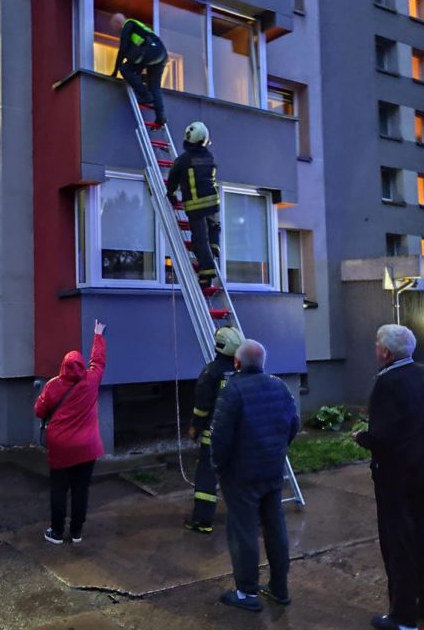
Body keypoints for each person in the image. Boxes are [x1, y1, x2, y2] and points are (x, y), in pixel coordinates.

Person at [354, 324, 424, 630]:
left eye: (376, 345)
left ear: (385, 351)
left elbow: (384, 435)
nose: (375, 350)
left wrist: (363, 438)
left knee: (399, 543)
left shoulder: (386, 382)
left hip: (394, 474)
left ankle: (403, 616)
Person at [211, 339, 299, 612]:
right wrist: (276, 450)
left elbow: (220, 436)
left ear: (236, 363)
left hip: (241, 475)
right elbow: (293, 424)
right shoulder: (279, 386)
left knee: (243, 531)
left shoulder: (232, 391)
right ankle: (279, 587)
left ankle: (247, 592)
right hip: (272, 471)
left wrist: (218, 466)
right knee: (275, 527)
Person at [34, 320, 107, 545]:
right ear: (82, 366)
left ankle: (56, 532)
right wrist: (98, 335)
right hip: (87, 447)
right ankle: (76, 532)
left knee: (59, 488)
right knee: (81, 489)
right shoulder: (91, 381)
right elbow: (99, 361)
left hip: (61, 448)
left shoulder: (54, 386)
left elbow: (39, 411)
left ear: (63, 366)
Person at [184, 325, 241, 534]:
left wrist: (194, 428)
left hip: (213, 435)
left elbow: (202, 406)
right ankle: (247, 517)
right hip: (237, 435)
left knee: (206, 477)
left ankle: (202, 520)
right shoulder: (240, 372)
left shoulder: (211, 372)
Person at [166, 122, 220, 288]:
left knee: (199, 239)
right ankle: (214, 248)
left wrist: (171, 195)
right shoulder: (209, 157)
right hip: (213, 202)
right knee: (213, 227)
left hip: (195, 205)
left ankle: (207, 274)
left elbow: (173, 179)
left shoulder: (183, 160)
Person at [109, 13, 168, 126]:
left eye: (114, 27)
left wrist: (115, 71)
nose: (115, 31)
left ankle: (145, 95)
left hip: (150, 52)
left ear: (118, 23)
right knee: (154, 85)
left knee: (126, 69)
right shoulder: (138, 27)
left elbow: (123, 49)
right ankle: (161, 116)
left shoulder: (128, 25)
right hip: (161, 53)